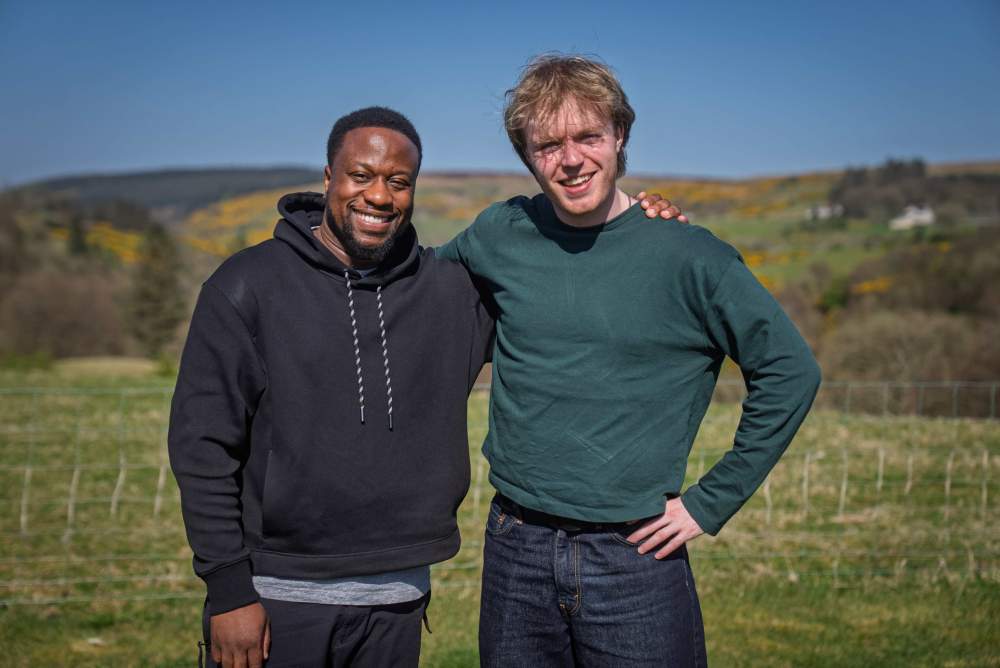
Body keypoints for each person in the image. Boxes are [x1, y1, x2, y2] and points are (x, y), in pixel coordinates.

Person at [168, 106, 683, 668]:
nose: (379, 196)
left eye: (398, 181)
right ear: (327, 179)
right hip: (276, 598)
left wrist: (630, 220)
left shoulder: (448, 291)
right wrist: (228, 590)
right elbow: (202, 447)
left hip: (399, 601)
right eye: (360, 176)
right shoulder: (247, 286)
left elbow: (552, 287)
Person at [437, 55, 822, 667]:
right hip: (516, 545)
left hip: (635, 555)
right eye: (548, 144)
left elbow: (791, 372)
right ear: (527, 156)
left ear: (620, 137)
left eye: (589, 136)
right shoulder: (501, 232)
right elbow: (410, 284)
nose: (570, 159)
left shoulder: (691, 257)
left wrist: (708, 503)